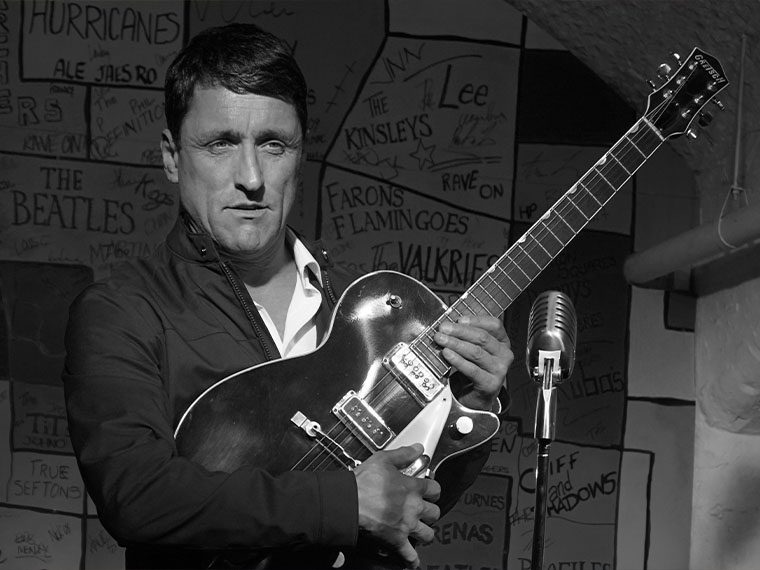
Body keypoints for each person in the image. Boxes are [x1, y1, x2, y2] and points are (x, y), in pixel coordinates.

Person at [63, 23, 513, 570]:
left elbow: (410, 508)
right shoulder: (121, 311)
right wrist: (341, 503)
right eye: (220, 144)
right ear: (172, 157)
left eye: (273, 145)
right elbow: (137, 496)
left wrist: (471, 399)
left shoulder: (358, 312)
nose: (251, 177)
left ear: (300, 157)